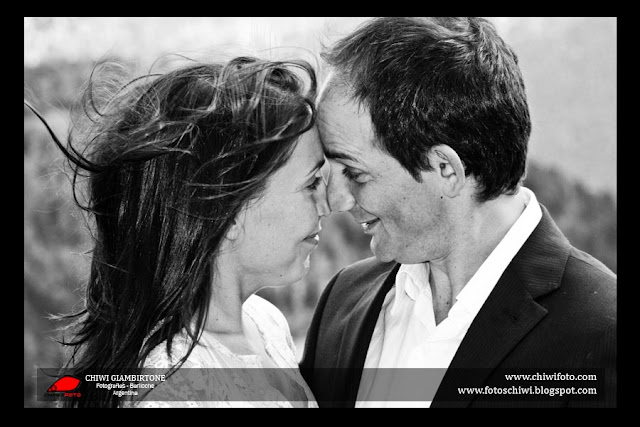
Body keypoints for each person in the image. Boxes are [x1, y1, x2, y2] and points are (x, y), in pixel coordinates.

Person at [299, 17, 616, 408]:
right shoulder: (342, 302)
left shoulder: (601, 336)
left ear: (445, 170)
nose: (337, 200)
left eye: (355, 173)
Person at [26, 54, 330, 407]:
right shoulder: (169, 389)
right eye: (312, 184)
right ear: (230, 212)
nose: (329, 204)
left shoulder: (265, 324)